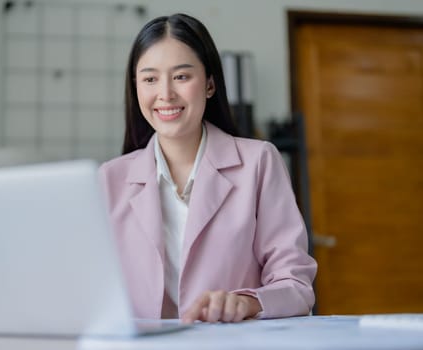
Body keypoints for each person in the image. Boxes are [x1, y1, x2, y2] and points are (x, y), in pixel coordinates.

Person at [99, 13, 317, 324]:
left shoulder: (259, 162)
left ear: (210, 84)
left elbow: (296, 285)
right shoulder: (109, 179)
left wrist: (246, 302)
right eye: (149, 79)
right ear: (136, 88)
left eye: (181, 77)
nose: (165, 94)